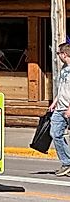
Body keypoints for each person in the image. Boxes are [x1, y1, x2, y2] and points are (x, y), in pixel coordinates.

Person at [49, 42, 70, 176]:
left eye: (58, 53)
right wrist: (55, 102)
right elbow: (62, 88)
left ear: (64, 54)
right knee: (55, 133)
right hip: (60, 107)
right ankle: (67, 162)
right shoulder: (63, 69)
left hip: (68, 108)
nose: (58, 56)